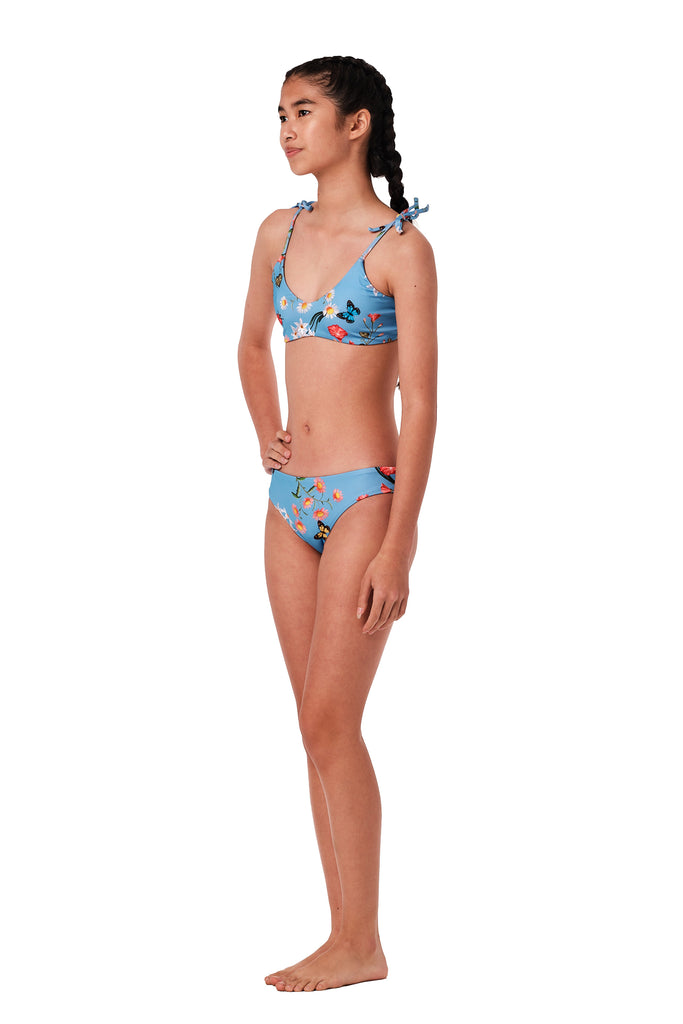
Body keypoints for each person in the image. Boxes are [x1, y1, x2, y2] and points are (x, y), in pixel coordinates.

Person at [238, 55, 438, 992]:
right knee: (313, 728)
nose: (286, 129)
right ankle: (343, 933)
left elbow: (422, 402)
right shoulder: (276, 232)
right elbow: (250, 345)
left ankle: (361, 941)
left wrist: (400, 543)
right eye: (280, 113)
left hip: (363, 497)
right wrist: (267, 434)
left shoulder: (401, 249)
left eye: (304, 111)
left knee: (329, 719)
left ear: (355, 125)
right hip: (289, 506)